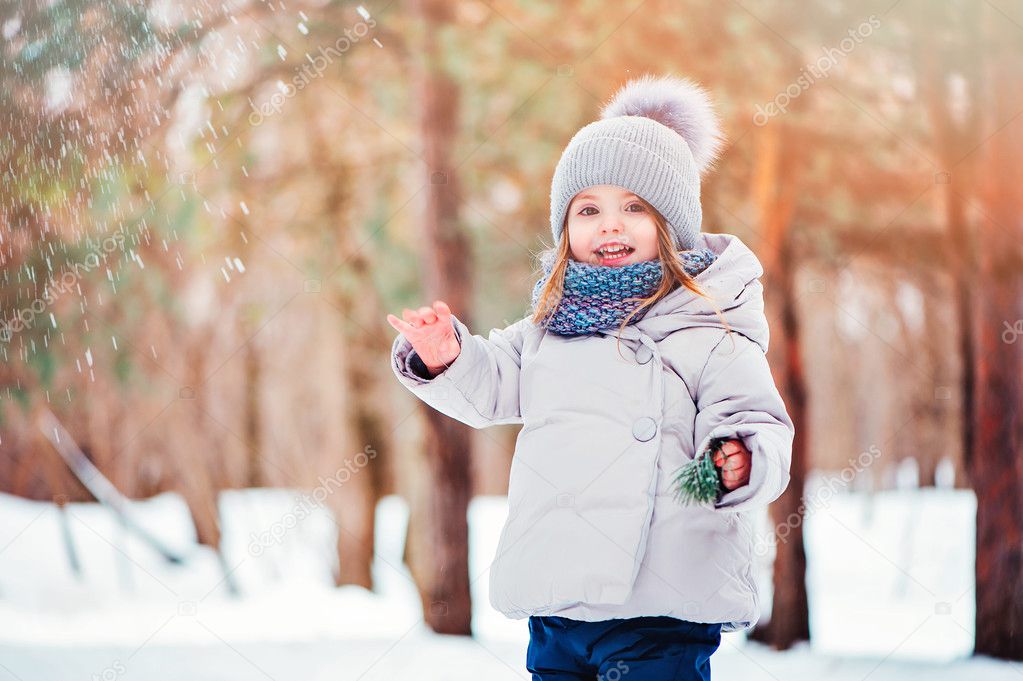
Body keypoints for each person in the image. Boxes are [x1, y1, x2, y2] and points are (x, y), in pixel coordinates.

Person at [386, 74, 795, 681]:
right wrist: (446, 354)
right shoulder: (550, 329)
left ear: (671, 225)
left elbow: (759, 422)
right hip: (560, 602)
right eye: (589, 209)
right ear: (566, 228)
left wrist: (739, 458)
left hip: (662, 604)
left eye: (634, 208)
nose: (610, 225)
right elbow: (492, 383)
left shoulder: (710, 330)